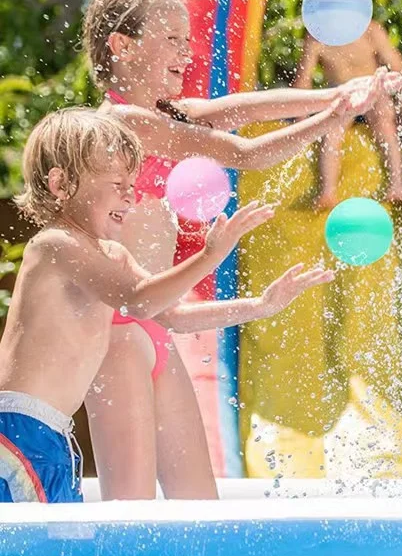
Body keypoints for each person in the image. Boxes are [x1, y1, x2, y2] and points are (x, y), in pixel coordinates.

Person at [81, 0, 402, 500]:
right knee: (130, 514)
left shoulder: (164, 115)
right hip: (120, 340)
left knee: (200, 509)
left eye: (188, 41)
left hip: (158, 331)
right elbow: (244, 152)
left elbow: (242, 107)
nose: (186, 53)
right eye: (171, 39)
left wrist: (336, 91)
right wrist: (330, 117)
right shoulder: (121, 123)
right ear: (122, 46)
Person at [0, 109, 328, 502]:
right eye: (117, 183)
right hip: (22, 430)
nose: (130, 195)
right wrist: (209, 255)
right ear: (61, 184)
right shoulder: (55, 246)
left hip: (53, 435)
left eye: (132, 184)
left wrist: (260, 305)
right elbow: (139, 302)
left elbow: (169, 312)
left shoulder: (111, 254)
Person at [295, 20, 402, 208]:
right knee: (332, 130)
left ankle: (397, 185)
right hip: (342, 92)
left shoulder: (370, 30)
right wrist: (300, 120)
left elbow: (398, 66)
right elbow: (304, 78)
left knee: (385, 122)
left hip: (372, 87)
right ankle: (328, 192)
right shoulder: (318, 37)